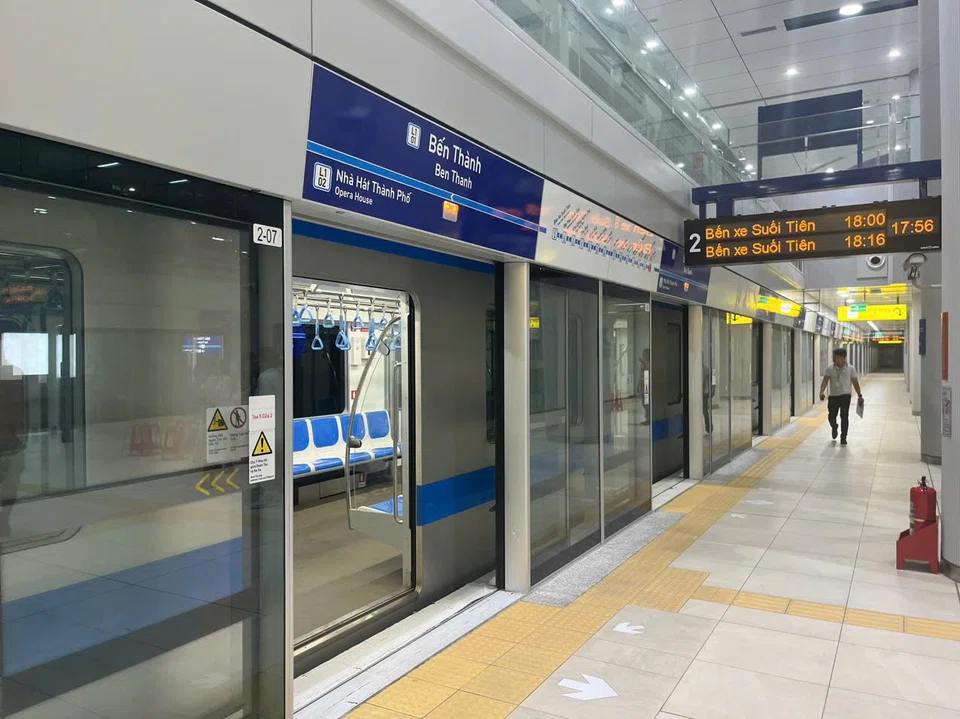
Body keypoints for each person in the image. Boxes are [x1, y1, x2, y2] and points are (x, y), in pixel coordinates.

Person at [819, 347, 863, 446]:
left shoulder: (851, 368)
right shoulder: (829, 369)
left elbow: (855, 383)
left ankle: (844, 437)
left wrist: (860, 395)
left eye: (835, 357)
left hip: (845, 396)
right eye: (833, 356)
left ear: (843, 358)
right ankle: (834, 427)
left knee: (844, 416)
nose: (833, 358)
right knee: (831, 416)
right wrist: (821, 391)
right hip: (833, 396)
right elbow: (825, 380)